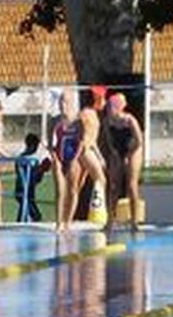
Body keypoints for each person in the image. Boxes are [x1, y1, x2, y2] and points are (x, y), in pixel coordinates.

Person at [100, 90, 144, 231]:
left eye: (110, 107)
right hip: (117, 151)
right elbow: (109, 140)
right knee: (113, 186)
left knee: (131, 185)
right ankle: (110, 220)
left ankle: (134, 221)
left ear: (118, 107)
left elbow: (139, 141)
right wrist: (114, 153)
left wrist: (128, 155)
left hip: (134, 149)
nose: (108, 109)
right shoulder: (107, 121)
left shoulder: (129, 120)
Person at [50, 90, 81, 232]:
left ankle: (68, 222)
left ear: (72, 103)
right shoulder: (55, 121)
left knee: (73, 190)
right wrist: (54, 157)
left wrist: (75, 159)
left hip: (73, 158)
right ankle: (58, 223)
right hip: (59, 158)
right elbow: (50, 143)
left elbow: (82, 142)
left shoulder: (78, 121)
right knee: (60, 191)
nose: (62, 105)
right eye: (60, 101)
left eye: (65, 101)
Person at [75, 88, 107, 225]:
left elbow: (92, 139)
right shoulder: (86, 114)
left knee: (78, 185)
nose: (104, 102)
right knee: (100, 179)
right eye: (103, 99)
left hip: (88, 149)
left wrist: (99, 156)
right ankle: (98, 212)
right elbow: (85, 138)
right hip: (85, 150)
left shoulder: (93, 114)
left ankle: (70, 214)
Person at [15, 133, 48, 222]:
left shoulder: (23, 157)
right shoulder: (29, 159)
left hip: (28, 192)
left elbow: (36, 179)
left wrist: (42, 170)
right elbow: (33, 177)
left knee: (24, 211)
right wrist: (41, 169)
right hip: (23, 191)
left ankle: (21, 222)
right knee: (35, 215)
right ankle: (23, 222)